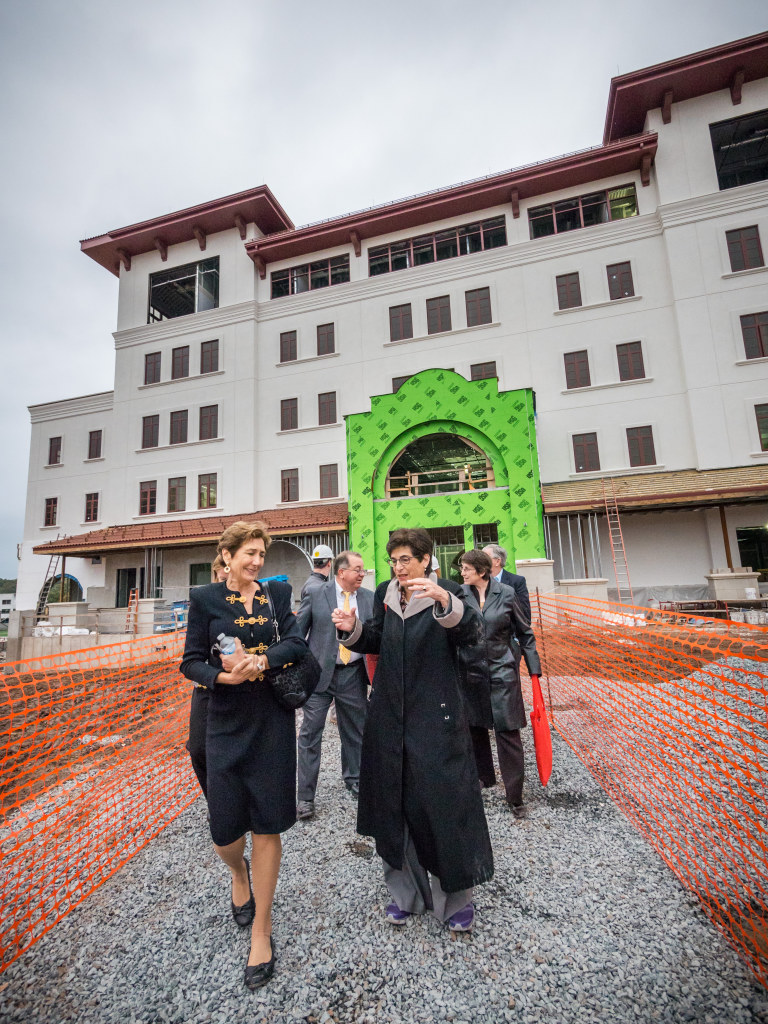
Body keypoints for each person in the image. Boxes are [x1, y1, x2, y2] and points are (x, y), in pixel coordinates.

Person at [332, 528, 493, 934]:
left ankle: (454, 898)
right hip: (389, 716)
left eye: (406, 559)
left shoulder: (449, 591)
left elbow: (473, 633)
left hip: (436, 717)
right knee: (393, 804)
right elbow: (378, 639)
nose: (398, 567)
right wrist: (352, 629)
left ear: (425, 559)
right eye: (393, 560)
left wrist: (444, 602)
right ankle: (404, 894)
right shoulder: (386, 593)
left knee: (443, 805)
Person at [180, 521, 308, 991]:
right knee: (224, 830)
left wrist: (262, 660)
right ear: (227, 555)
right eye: (248, 553)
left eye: (260, 554)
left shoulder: (276, 595)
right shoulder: (205, 599)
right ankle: (238, 872)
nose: (256, 561)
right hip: (225, 718)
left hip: (271, 717)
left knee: (268, 824)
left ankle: (262, 931)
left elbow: (295, 643)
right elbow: (190, 661)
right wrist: (223, 677)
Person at [458, 549, 541, 818]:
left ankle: (515, 796)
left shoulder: (506, 593)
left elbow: (525, 633)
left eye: (466, 568)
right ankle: (484, 777)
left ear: (482, 571)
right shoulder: (460, 595)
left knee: (508, 732)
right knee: (475, 728)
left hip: (503, 671)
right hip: (471, 672)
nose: (462, 572)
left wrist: (534, 671)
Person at [295, 551, 373, 820]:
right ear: (341, 572)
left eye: (363, 570)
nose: (362, 574)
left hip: (353, 674)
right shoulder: (317, 594)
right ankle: (305, 797)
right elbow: (298, 632)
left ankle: (355, 779)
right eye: (358, 569)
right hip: (319, 676)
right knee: (310, 734)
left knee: (356, 731)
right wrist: (301, 667)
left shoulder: (368, 598)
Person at [186, 554, 228, 797]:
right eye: (221, 577)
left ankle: (229, 801)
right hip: (205, 686)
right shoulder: (204, 602)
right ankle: (214, 799)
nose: (225, 582)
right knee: (198, 749)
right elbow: (192, 653)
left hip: (237, 687)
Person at [482, 544, 531, 621]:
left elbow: (524, 613)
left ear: (497, 561)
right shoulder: (478, 581)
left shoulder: (517, 581)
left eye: (485, 558)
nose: (481, 561)